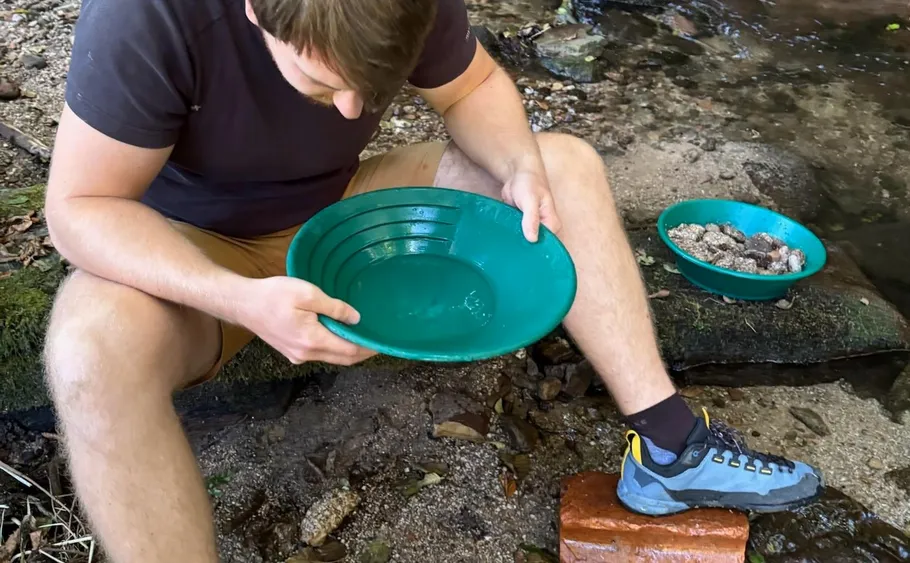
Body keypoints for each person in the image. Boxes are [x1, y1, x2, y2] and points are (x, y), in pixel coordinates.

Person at [41, 0, 823, 560]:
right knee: (88, 350)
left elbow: (471, 88)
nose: (351, 109)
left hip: (343, 211)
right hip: (196, 249)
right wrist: (235, 296)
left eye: (370, 90)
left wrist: (518, 165)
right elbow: (79, 207)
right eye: (321, 87)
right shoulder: (147, 18)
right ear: (256, 12)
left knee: (567, 169)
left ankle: (671, 450)